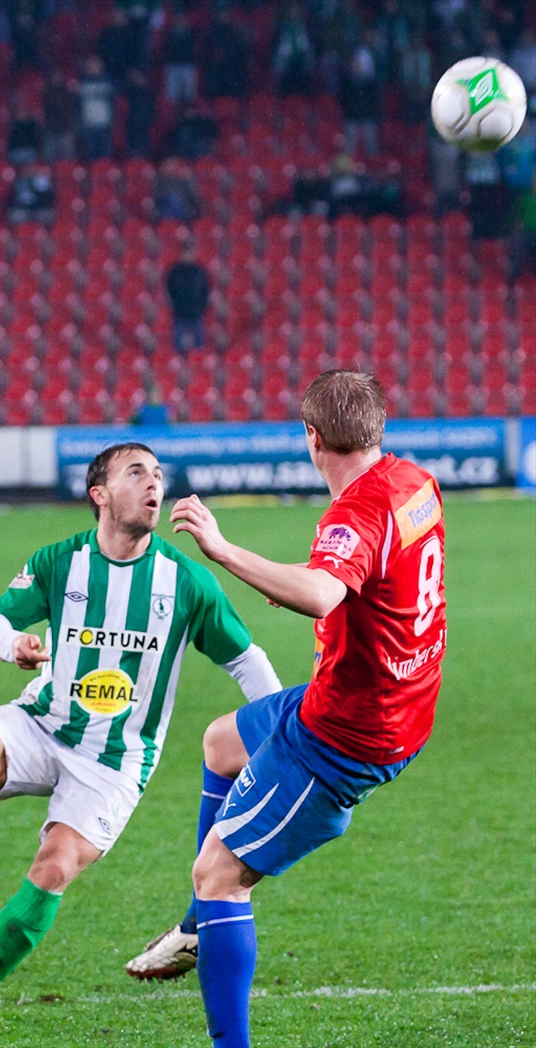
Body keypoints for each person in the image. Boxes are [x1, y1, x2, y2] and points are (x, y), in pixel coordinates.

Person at [0, 442, 281, 1044]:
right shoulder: (61, 561)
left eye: (159, 475)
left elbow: (248, 662)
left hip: (113, 763)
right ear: (99, 494)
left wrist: (282, 730)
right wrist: (15, 647)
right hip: (42, 723)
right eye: (137, 473)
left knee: (51, 869)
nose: (154, 484)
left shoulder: (185, 581)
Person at [125, 370, 447, 1048]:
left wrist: (222, 549)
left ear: (312, 437)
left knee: (218, 874)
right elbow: (368, 584)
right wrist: (314, 589)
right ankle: (193, 931)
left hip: (349, 733)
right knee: (221, 741)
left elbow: (326, 593)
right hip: (393, 697)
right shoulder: (415, 482)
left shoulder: (355, 512)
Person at [165, 243, 210, 352]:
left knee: (199, 348)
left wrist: (201, 307)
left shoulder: (200, 272)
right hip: (179, 314)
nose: (189, 256)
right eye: (186, 253)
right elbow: (169, 291)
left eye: (191, 253)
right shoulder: (174, 272)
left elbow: (205, 291)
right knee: (178, 347)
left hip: (196, 314)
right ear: (181, 254)